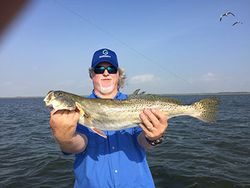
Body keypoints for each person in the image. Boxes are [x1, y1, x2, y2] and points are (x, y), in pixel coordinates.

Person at [49, 48, 168, 188]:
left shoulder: (138, 105)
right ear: (92, 74)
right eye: (99, 69)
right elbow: (78, 145)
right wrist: (65, 138)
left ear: (118, 74)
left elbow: (142, 141)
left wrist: (154, 137)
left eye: (111, 68)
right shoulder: (75, 111)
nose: (106, 73)